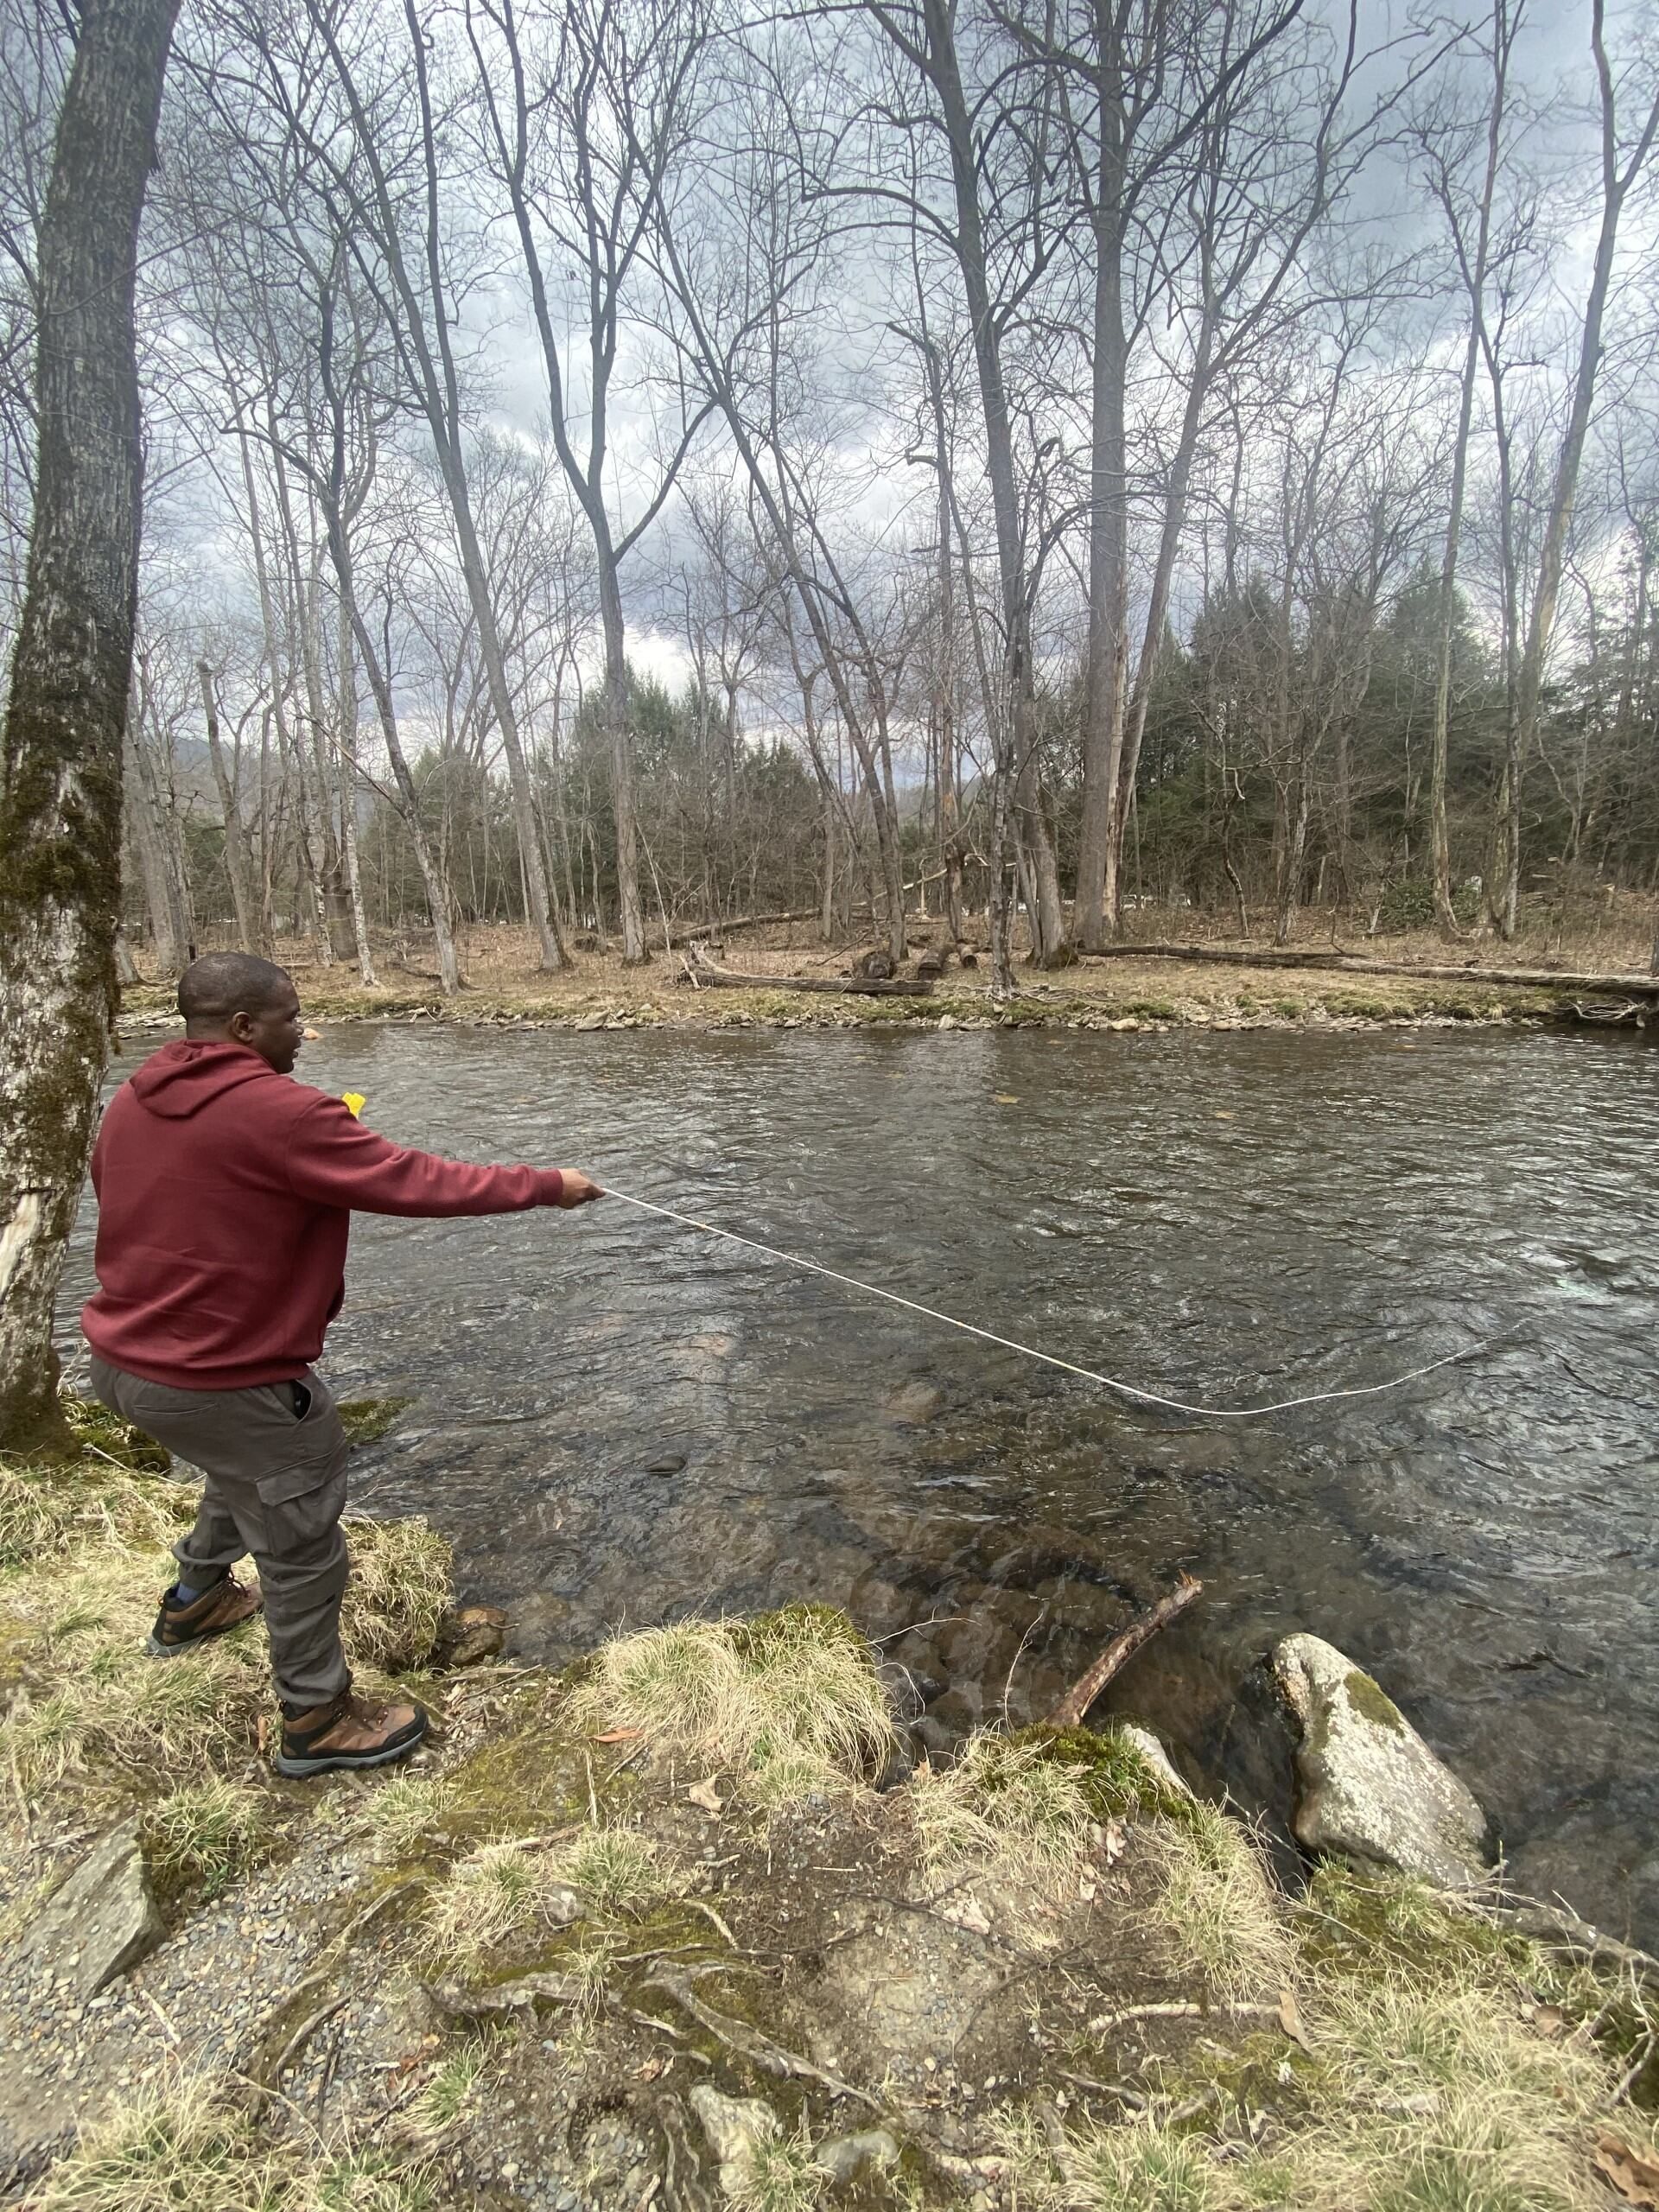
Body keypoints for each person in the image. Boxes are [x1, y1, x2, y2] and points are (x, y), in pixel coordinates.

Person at [81, 951, 603, 1778]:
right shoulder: (285, 1114)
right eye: (292, 1016)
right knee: (301, 1535)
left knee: (244, 1469)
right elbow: (413, 1180)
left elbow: (134, 1193)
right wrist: (548, 1185)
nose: (305, 1029)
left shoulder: (132, 1098)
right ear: (243, 1027)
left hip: (120, 1364)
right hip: (224, 1380)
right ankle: (317, 1718)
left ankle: (195, 1602)